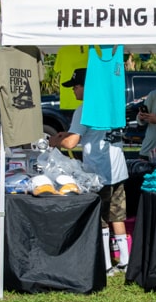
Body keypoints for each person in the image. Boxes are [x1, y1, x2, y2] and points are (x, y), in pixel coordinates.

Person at [49, 68, 130, 274]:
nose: (74, 91)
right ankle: (125, 261)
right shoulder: (111, 104)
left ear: (86, 87)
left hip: (98, 172)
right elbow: (90, 133)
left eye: (76, 86)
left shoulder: (84, 109)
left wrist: (55, 140)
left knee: (101, 220)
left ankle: (106, 265)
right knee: (117, 216)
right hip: (118, 169)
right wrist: (67, 133)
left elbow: (71, 143)